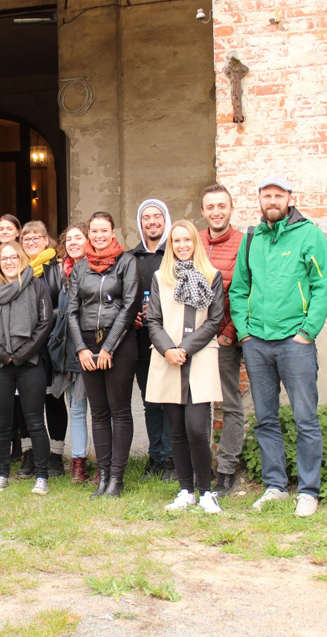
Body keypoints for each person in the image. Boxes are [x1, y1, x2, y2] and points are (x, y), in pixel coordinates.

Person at [229, 178, 327, 517]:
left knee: (305, 418)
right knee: (265, 418)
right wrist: (245, 332)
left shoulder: (309, 235)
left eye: (279, 195)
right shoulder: (251, 239)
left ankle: (307, 490)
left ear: (290, 199)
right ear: (259, 200)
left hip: (294, 341)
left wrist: (307, 332)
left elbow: (322, 285)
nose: (272, 200)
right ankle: (275, 485)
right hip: (258, 342)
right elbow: (239, 289)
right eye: (267, 195)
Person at [146, 220, 225, 513]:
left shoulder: (211, 274)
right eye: (176, 241)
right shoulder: (160, 276)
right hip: (168, 359)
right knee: (176, 429)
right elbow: (152, 319)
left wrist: (186, 349)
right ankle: (185, 490)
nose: (182, 246)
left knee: (196, 429)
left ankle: (206, 492)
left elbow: (215, 319)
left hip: (200, 357)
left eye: (187, 240)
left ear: (196, 242)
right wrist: (168, 349)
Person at [66, 211, 140, 498]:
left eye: (103, 230)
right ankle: (103, 475)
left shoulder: (126, 262)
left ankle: (117, 479)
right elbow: (72, 311)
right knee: (98, 412)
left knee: (119, 410)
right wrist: (82, 348)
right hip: (87, 345)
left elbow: (130, 306)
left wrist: (108, 347)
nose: (98, 236)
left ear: (112, 231)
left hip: (119, 344)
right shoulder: (81, 267)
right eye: (94, 231)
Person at [0, 241, 55, 495]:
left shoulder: (36, 285)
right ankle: (2, 475)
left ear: (22, 259)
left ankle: (42, 477)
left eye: (14, 257)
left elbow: (45, 323)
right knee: (1, 424)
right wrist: (2, 354)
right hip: (0, 365)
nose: (9, 262)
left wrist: (22, 354)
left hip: (30, 363)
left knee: (35, 422)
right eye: (4, 259)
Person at [198, 184, 246, 496]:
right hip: (195, 339)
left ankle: (227, 469)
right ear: (203, 212)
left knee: (229, 404)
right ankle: (199, 466)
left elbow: (246, 290)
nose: (216, 211)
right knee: (197, 405)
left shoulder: (244, 243)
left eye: (222, 206)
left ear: (231, 209)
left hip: (226, 338)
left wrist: (229, 333)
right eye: (210, 207)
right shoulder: (194, 241)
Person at [129, 199, 175, 482]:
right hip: (140, 340)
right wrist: (130, 314)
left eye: (157, 216)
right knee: (150, 401)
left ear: (165, 220)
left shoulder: (176, 253)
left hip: (169, 340)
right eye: (146, 217)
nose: (152, 221)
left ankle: (170, 458)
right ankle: (155, 458)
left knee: (168, 400)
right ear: (140, 223)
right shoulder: (131, 258)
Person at [19, 220, 68, 477]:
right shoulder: (14, 267)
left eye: (36, 237)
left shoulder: (56, 268)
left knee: (54, 399)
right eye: (26, 238)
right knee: (24, 401)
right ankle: (29, 454)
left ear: (46, 240)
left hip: (50, 344)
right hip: (23, 345)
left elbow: (63, 304)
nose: (31, 242)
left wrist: (46, 321)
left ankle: (56, 455)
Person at [53, 224, 91, 483]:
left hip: (92, 349)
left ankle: (108, 461)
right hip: (68, 351)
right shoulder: (63, 273)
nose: (73, 242)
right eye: (69, 239)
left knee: (102, 410)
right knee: (76, 409)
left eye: (79, 237)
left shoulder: (97, 268)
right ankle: (78, 462)